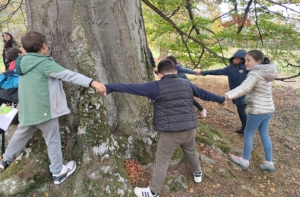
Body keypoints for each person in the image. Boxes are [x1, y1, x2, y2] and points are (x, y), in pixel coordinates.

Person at [105, 59, 226, 197]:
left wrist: (110, 87)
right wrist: (221, 99)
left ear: (159, 74)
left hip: (171, 133)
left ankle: (153, 192)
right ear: (175, 71)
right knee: (191, 151)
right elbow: (204, 94)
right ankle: (197, 173)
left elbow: (131, 87)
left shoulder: (155, 86)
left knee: (162, 160)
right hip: (190, 128)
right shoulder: (186, 83)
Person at [0, 30, 107, 184]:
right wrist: (93, 82)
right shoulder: (44, 63)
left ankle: (4, 161)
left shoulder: (22, 62)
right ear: (43, 45)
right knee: (53, 140)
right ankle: (58, 172)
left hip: (27, 110)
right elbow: (69, 75)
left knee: (20, 136)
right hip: (44, 111)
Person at [224, 50, 277, 172]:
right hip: (268, 108)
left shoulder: (255, 74)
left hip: (258, 110)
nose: (246, 63)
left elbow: (244, 88)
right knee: (264, 133)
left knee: (248, 132)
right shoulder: (267, 72)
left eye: (249, 60)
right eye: (245, 60)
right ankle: (269, 162)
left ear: (258, 62)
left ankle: (244, 160)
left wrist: (227, 96)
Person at [200, 49, 248, 134]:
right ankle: (244, 128)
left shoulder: (247, 68)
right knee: (240, 110)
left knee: (242, 111)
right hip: (235, 94)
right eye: (234, 58)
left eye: (237, 59)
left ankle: (247, 130)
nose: (234, 60)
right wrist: (204, 72)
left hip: (245, 93)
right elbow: (217, 71)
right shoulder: (230, 69)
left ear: (242, 60)